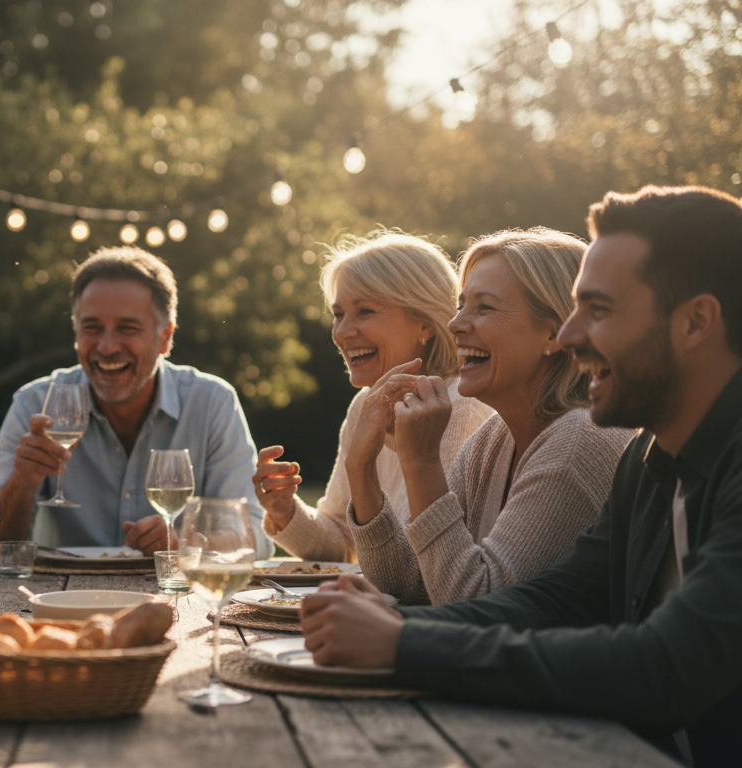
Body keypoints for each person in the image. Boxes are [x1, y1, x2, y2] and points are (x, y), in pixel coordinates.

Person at [301, 186, 742, 766]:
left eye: (600, 310)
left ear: (697, 323)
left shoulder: (611, 446)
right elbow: (547, 602)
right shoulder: (646, 462)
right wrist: (396, 624)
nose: (573, 335)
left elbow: (663, 665)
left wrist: (404, 641)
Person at [341, 230, 634, 604]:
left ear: (554, 333)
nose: (455, 324)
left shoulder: (579, 441)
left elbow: (475, 603)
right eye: (461, 305)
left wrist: (422, 461)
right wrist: (360, 468)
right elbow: (413, 586)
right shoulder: (495, 437)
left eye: (484, 307)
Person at [0, 246, 270, 557]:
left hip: (174, 601)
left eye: (128, 328)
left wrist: (189, 545)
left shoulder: (212, 403)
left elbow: (255, 532)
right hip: (61, 598)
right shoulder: (35, 403)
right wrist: (23, 481)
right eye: (92, 328)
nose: (107, 347)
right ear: (76, 334)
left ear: (165, 338)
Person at [253, 232, 493, 562]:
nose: (343, 332)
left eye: (364, 311)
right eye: (338, 314)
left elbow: (421, 564)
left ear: (424, 323)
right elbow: (345, 543)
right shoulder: (365, 406)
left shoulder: (460, 408)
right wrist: (285, 512)